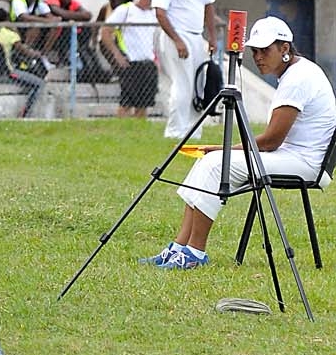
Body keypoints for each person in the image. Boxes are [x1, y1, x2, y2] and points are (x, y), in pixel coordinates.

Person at [141, 17, 336, 270]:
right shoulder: (297, 72)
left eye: (265, 50)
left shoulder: (298, 79)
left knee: (214, 164)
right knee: (208, 162)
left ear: (284, 49)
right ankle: (179, 247)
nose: (258, 57)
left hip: (305, 163)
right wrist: (222, 151)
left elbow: (271, 141)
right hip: (296, 156)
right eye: (254, 51)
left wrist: (225, 150)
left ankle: (195, 253)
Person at [152, 0, 217, 144]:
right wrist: (177, 40)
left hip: (196, 36)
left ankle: (193, 130)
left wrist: (212, 37)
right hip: (175, 35)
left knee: (197, 83)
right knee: (182, 82)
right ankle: (175, 131)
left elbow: (208, 7)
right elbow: (160, 13)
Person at [101, 0, 160, 118]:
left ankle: (139, 130)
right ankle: (121, 128)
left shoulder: (153, 14)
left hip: (148, 63)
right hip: (131, 62)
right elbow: (106, 31)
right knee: (126, 102)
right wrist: (116, 54)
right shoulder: (126, 10)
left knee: (144, 103)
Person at [0, 8, 46, 118]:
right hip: (6, 72)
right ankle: (25, 113)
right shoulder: (10, 35)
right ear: (7, 19)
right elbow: (25, 51)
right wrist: (38, 54)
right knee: (39, 84)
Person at [9, 0, 58, 66]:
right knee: (35, 24)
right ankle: (25, 52)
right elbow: (24, 17)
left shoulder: (39, 1)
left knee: (55, 27)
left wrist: (55, 20)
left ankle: (44, 55)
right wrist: (47, 21)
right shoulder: (18, 0)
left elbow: (49, 16)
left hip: (29, 27)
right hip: (15, 27)